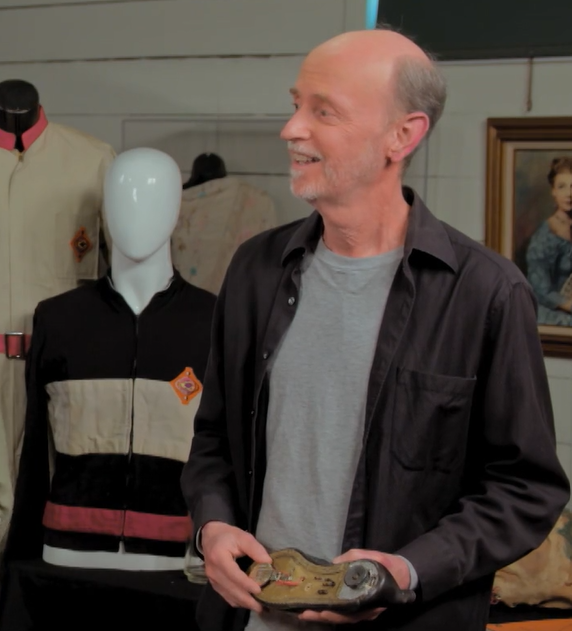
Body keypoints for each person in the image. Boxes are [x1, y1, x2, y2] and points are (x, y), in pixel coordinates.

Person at [181, 28, 570, 631]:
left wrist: (407, 571)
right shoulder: (255, 270)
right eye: (296, 105)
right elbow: (213, 440)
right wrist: (212, 525)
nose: (291, 129)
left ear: (402, 135)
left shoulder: (487, 293)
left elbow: (525, 490)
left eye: (324, 111)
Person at [526, 157, 572, 326]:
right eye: (562, 186)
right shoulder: (544, 237)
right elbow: (540, 290)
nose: (569, 193)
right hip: (552, 312)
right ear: (553, 191)